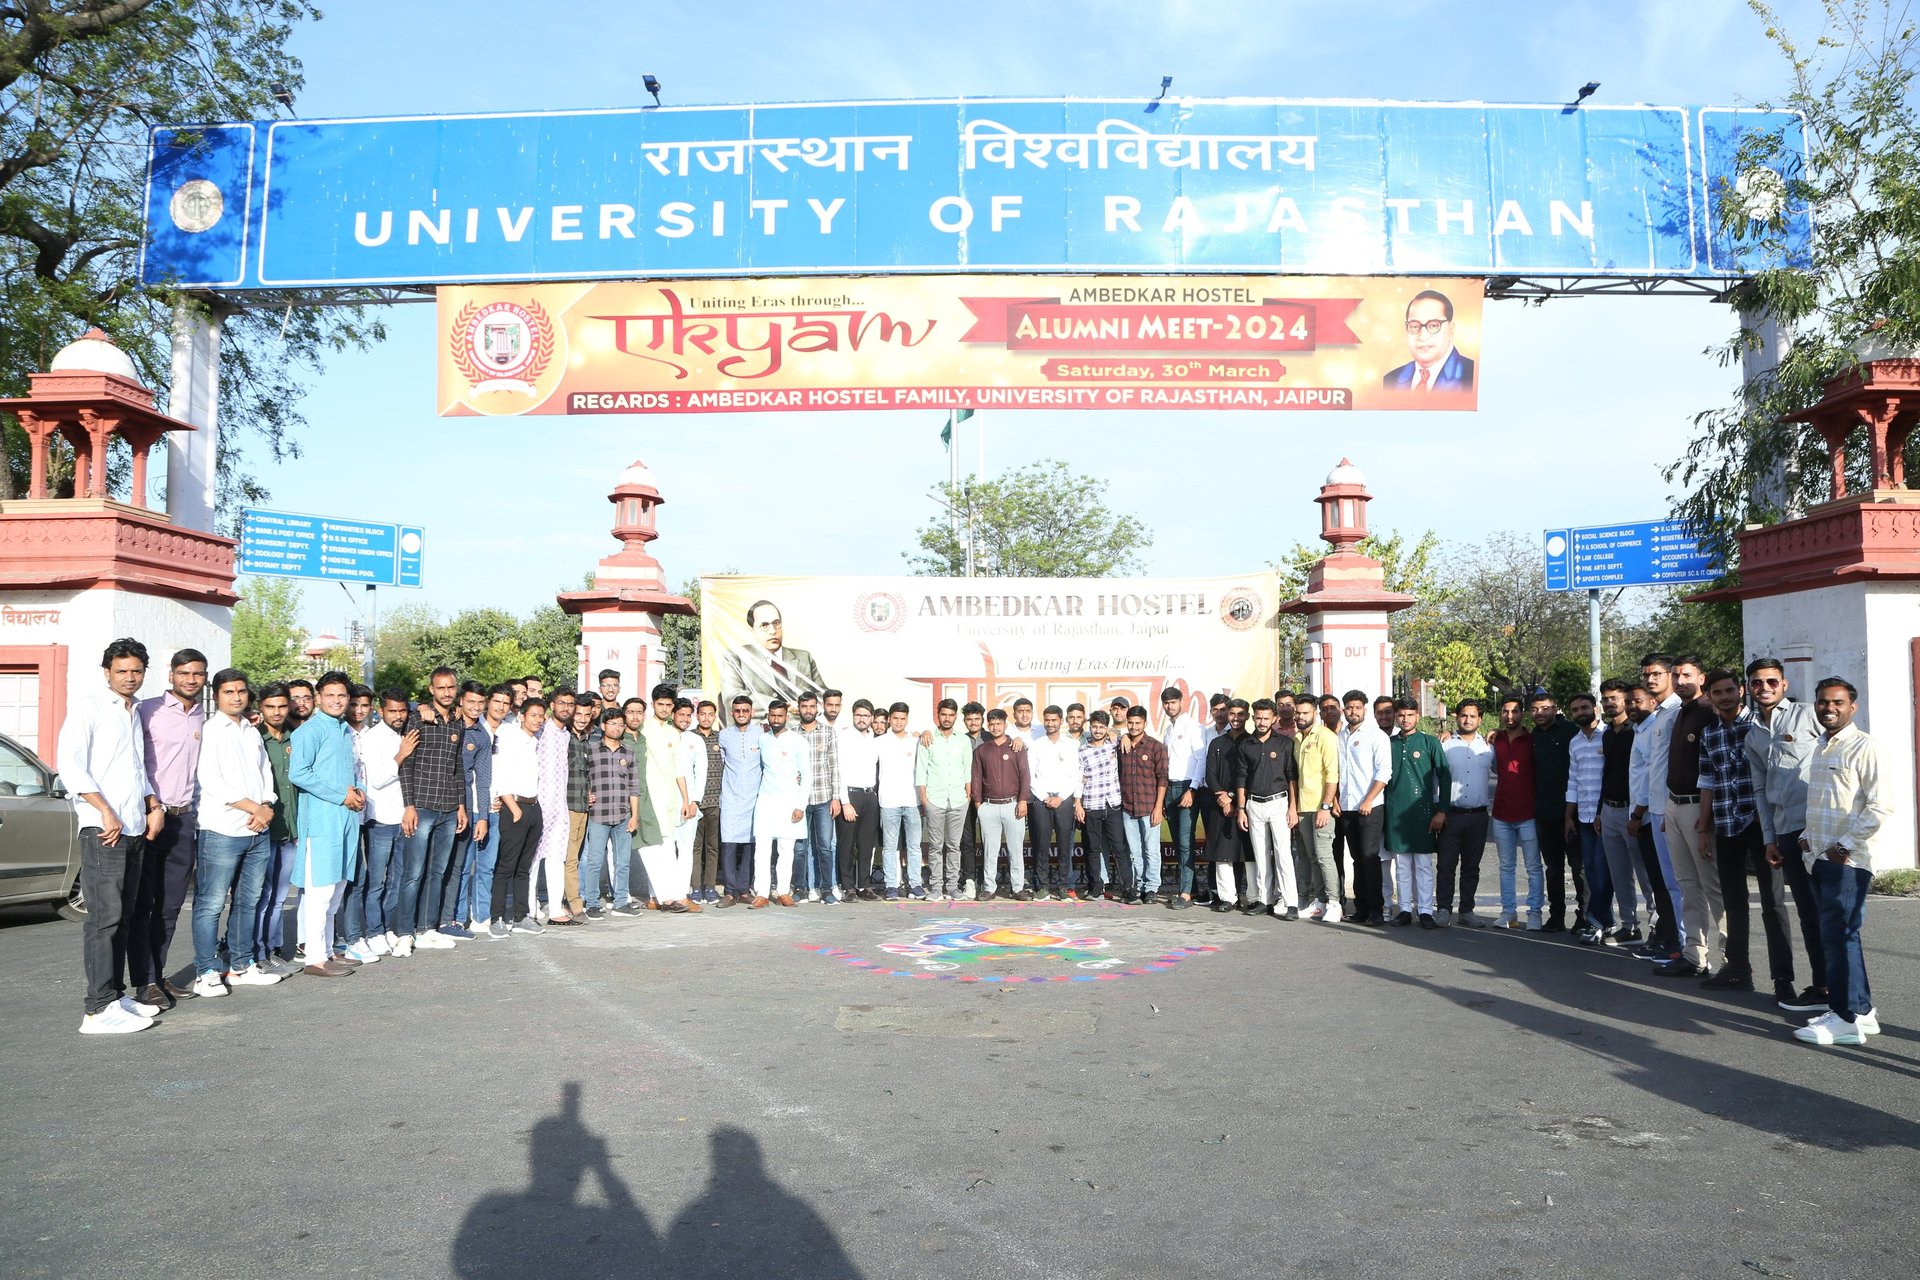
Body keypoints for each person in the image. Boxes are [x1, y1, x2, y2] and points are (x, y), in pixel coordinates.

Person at [59, 638, 167, 1034]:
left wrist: (153, 805)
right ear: (107, 672)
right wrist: (105, 810)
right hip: (104, 829)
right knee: (104, 919)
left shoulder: (133, 711)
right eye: (121, 671)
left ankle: (114, 996)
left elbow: (136, 769)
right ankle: (96, 1010)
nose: (129, 677)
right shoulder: (90, 708)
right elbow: (70, 764)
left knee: (124, 917)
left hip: (134, 826)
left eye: (136, 671)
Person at [1792, 678, 1889, 1047]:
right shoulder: (1821, 745)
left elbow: (1880, 806)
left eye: (1837, 702)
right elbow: (1825, 801)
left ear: (1853, 707)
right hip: (1819, 857)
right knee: (1842, 937)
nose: (1828, 708)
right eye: (1822, 702)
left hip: (1847, 862)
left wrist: (1844, 847)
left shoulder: (1866, 747)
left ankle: (1843, 1017)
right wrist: (1807, 838)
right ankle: (1861, 1011)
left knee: (1838, 937)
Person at [1698, 667, 1794, 994]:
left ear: (1741, 691)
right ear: (1710, 696)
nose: (1724, 697)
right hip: (1726, 824)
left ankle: (1783, 979)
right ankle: (1738, 969)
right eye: (1717, 692)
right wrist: (1703, 828)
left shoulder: (1759, 726)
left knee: (1773, 903)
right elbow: (1707, 780)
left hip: (1761, 826)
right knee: (1734, 902)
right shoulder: (1709, 733)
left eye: (1730, 690)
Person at [190, 667, 284, 997]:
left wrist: (267, 805)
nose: (236, 697)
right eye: (229, 692)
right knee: (211, 904)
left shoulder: (250, 730)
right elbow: (211, 781)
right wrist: (254, 808)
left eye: (241, 691)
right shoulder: (211, 730)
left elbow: (265, 774)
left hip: (257, 830)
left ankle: (241, 965)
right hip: (222, 830)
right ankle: (206, 971)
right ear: (216, 696)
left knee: (247, 901)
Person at [1745, 658, 1830, 1015]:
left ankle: (1842, 992)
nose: (1764, 688)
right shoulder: (1752, 735)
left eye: (1771, 681)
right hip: (1786, 831)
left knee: (1830, 913)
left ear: (1784, 684)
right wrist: (1770, 838)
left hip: (1820, 828)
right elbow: (1760, 791)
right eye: (1757, 682)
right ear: (1749, 687)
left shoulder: (1808, 715)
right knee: (1808, 913)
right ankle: (1823, 987)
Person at [129, 647, 208, 1008]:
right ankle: (143, 982)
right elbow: (133, 762)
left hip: (184, 819)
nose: (191, 680)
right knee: (144, 904)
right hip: (151, 817)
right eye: (184, 673)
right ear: (171, 674)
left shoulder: (203, 716)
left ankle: (157, 975)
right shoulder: (147, 710)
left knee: (171, 904)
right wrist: (151, 806)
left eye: (198, 674)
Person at [287, 672, 363, 977]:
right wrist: (341, 795)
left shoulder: (343, 729)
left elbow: (348, 771)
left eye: (341, 695)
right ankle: (314, 958)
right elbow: (299, 773)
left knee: (336, 889)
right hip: (322, 819)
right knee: (320, 891)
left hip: (346, 817)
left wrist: (358, 792)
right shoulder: (310, 730)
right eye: (330, 695)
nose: (336, 700)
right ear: (318, 697)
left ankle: (329, 950)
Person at [1654, 656, 1720, 979]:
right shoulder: (1681, 712)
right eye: (1677, 675)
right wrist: (1669, 809)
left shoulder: (1708, 712)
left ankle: (1731, 960)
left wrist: (1705, 821)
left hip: (1698, 807)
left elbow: (1711, 771)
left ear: (1701, 678)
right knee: (1687, 885)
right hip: (1675, 805)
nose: (1681, 681)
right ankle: (1695, 955)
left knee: (1712, 886)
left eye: (1687, 675)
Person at [396, 667, 470, 953]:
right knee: (413, 873)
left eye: (451, 687)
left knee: (437, 872)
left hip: (449, 809)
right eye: (441, 688)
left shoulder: (458, 723)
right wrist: (409, 806)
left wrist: (461, 806)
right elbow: (407, 765)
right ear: (431, 690)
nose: (447, 693)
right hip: (422, 806)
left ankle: (427, 928)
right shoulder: (418, 718)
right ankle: (405, 932)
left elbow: (457, 768)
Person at [341, 689, 408, 963]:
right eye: (392, 710)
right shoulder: (372, 738)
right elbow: (378, 779)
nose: (398, 715)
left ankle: (386, 927)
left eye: (402, 710)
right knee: (375, 880)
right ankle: (373, 931)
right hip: (379, 817)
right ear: (382, 711)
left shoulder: (403, 732)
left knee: (396, 879)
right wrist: (401, 755)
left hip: (403, 816)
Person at [1626, 679, 1683, 961]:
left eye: (1637, 701)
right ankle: (1664, 936)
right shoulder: (1639, 729)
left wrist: (1638, 813)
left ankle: (1672, 941)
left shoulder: (1654, 728)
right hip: (1643, 813)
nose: (1631, 706)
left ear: (1652, 702)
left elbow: (1653, 774)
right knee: (1658, 883)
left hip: (1651, 815)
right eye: (1628, 702)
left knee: (1664, 883)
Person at [1383, 697, 1450, 928]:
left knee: (1423, 864)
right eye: (1401, 715)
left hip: (1423, 812)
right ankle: (1404, 910)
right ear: (1396, 717)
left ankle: (1425, 911)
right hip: (1396, 812)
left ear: (1417, 717)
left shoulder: (1429, 742)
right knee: (1401, 865)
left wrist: (1442, 810)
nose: (1405, 719)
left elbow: (1445, 777)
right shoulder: (1388, 743)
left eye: (1410, 715)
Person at [1593, 681, 1649, 946]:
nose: (1609, 703)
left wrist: (1638, 813)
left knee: (1645, 873)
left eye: (1614, 698)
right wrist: (1599, 811)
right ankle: (1630, 927)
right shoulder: (1607, 733)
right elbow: (1606, 774)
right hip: (1609, 809)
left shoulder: (1637, 731)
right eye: (1605, 699)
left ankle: (1659, 926)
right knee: (1619, 874)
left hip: (1633, 810)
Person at [1234, 698, 1299, 919]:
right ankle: (1264, 900)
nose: (1262, 722)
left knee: (1283, 854)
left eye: (1266, 718)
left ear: (1274, 719)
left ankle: (1291, 903)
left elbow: (1291, 776)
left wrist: (1293, 807)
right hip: (1254, 804)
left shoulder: (1284, 743)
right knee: (1260, 855)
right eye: (1258, 718)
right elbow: (1241, 778)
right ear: (1253, 718)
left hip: (1279, 802)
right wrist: (1241, 809)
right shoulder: (1245, 744)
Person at [488, 697, 547, 938]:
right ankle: (497, 918)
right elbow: (501, 778)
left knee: (524, 867)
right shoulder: (511, 738)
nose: (538, 720)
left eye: (541, 716)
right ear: (522, 716)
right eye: (533, 715)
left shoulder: (535, 741)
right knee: (506, 866)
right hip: (515, 807)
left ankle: (521, 916)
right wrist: (514, 809)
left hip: (533, 806)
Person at [637, 684, 696, 913]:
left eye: (668, 705)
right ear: (652, 704)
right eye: (660, 704)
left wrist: (685, 800)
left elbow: (679, 768)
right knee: (651, 849)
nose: (664, 708)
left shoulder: (673, 733)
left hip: (670, 799)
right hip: (647, 797)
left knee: (668, 849)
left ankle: (669, 896)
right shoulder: (642, 727)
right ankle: (666, 898)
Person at [254, 682, 300, 969]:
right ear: (261, 707)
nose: (277, 712)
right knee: (263, 894)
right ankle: (256, 952)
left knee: (281, 895)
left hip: (291, 829)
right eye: (270, 706)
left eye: (282, 706)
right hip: (264, 829)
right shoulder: (254, 738)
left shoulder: (296, 738)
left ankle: (271, 949)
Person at [1336, 690, 1392, 924]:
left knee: (1370, 858)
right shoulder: (1340, 736)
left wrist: (1369, 799)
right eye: (1349, 707)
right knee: (1356, 859)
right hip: (1347, 806)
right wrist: (1336, 799)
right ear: (1344, 710)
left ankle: (1376, 910)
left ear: (1364, 710)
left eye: (1358, 707)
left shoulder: (1376, 736)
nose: (1353, 711)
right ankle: (1361, 908)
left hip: (1370, 806)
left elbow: (1384, 771)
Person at [582, 708, 642, 920]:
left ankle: (620, 902)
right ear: (603, 726)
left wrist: (634, 816)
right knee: (595, 861)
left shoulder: (628, 752)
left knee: (623, 862)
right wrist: (586, 795)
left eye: (620, 724)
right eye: (613, 723)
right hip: (598, 815)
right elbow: (583, 779)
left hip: (623, 815)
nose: (617, 728)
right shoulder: (591, 750)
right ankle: (591, 903)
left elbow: (634, 786)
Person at [1436, 699, 1492, 928]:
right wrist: (1439, 810)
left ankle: (1466, 911)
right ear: (1457, 717)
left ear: (1480, 719)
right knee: (1445, 865)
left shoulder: (1489, 746)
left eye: (1472, 716)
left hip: (1478, 817)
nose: (1468, 720)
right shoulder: (1444, 744)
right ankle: (1443, 910)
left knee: (1471, 867)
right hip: (1451, 815)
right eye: (1463, 715)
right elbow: (1435, 780)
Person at [1490, 695, 1545, 930]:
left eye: (1514, 711)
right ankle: (1508, 912)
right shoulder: (1495, 740)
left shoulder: (1532, 740)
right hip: (1501, 812)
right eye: (1505, 711)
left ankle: (1534, 913)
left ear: (1522, 714)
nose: (1510, 716)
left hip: (1528, 812)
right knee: (1506, 867)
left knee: (1533, 867)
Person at [1529, 692, 1582, 932]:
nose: (1540, 713)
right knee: (1553, 869)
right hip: (1544, 812)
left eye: (1545, 708)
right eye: (1535, 709)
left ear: (1555, 708)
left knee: (1579, 868)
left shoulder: (1571, 731)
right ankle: (1556, 916)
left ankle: (1584, 916)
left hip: (1572, 813)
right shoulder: (1532, 736)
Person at [1563, 692, 1611, 944]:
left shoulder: (1609, 735)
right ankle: (1604, 922)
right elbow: (1573, 780)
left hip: (1606, 815)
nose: (1580, 713)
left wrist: (1603, 812)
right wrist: (1569, 816)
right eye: (1575, 710)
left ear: (1596, 708)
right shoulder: (1575, 742)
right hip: (1583, 816)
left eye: (1584, 707)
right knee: (1590, 871)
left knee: (1603, 872)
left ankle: (1598, 922)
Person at [720, 599, 828, 710]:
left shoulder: (804, 658)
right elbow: (732, 697)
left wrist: (804, 705)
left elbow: (823, 696)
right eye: (764, 625)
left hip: (801, 719)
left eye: (776, 623)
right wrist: (781, 707)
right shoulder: (736, 657)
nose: (773, 631)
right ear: (751, 631)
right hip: (760, 720)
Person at [754, 698, 809, 908]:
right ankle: (762, 893)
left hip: (789, 802)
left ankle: (784, 892)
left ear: (786, 717)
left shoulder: (798, 741)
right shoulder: (762, 739)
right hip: (766, 801)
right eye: (773, 715)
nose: (776, 719)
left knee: (786, 850)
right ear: (767, 716)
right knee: (762, 849)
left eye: (780, 716)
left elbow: (806, 775)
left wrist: (800, 805)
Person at [1290, 696, 1342, 920]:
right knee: (1311, 857)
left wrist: (1326, 806)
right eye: (1298, 713)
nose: (1301, 717)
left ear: (1315, 714)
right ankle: (1319, 902)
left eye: (1306, 713)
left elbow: (1332, 774)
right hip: (1303, 807)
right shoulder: (1296, 739)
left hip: (1321, 807)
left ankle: (1334, 903)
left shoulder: (1326, 737)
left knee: (1324, 856)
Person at [971, 709, 1032, 899]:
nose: (995, 727)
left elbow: (1025, 775)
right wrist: (979, 805)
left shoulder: (1016, 747)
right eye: (992, 723)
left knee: (1016, 850)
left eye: (999, 723)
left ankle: (1018, 888)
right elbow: (976, 778)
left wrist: (1023, 800)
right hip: (989, 807)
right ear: (988, 725)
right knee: (990, 851)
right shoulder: (982, 750)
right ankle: (989, 887)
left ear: (1005, 724)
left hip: (1013, 805)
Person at [917, 698, 972, 902]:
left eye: (951, 715)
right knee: (935, 846)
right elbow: (921, 771)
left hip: (958, 800)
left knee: (954, 846)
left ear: (956, 717)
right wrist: (925, 800)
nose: (947, 718)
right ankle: (936, 888)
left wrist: (967, 797)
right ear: (938, 715)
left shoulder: (963, 740)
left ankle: (953, 887)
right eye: (943, 715)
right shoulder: (928, 738)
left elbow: (967, 770)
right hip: (935, 799)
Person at [532, 688, 579, 925]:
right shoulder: (539, 730)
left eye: (570, 704)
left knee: (556, 856)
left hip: (559, 805)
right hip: (536, 802)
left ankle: (555, 908)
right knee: (532, 858)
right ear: (552, 705)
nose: (566, 708)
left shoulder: (566, 735)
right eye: (561, 703)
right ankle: (528, 909)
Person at [1027, 705, 1081, 901]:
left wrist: (1061, 797)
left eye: (1054, 720)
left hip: (1064, 800)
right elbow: (1030, 776)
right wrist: (1044, 797)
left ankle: (1063, 886)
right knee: (1041, 846)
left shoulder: (1071, 746)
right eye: (1047, 720)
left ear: (1061, 721)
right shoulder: (1036, 745)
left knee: (1065, 845)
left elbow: (1075, 775)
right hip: (1041, 800)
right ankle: (1042, 886)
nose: (1050, 724)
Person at [1117, 706, 1169, 904]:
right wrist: (1122, 736)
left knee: (1151, 850)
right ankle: (1139, 885)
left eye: (1138, 723)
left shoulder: (1156, 747)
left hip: (1149, 807)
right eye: (1130, 723)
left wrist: (1158, 807)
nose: (1134, 726)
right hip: (1128, 807)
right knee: (1134, 851)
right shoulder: (1122, 746)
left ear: (1145, 723)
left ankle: (1152, 887)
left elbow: (1162, 778)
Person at [716, 696, 762, 907]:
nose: (741, 714)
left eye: (745, 710)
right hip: (731, 798)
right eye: (737, 711)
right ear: (732, 712)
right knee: (729, 845)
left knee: (750, 845)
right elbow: (722, 762)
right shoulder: (724, 736)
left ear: (751, 712)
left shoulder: (761, 734)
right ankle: (729, 892)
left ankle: (744, 890)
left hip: (753, 799)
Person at [1380, 288, 1474, 392]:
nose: (1423, 336)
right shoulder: (1390, 380)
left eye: (1433, 325)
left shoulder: (1472, 375)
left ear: (1451, 330)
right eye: (1414, 326)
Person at [1075, 709, 1124, 902]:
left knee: (1119, 848)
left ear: (1107, 728)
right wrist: (1078, 803)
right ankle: (1096, 887)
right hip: (1091, 804)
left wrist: (1120, 735)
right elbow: (1078, 779)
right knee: (1093, 849)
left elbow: (1126, 737)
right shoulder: (1082, 751)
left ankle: (1128, 887)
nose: (1097, 730)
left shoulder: (1115, 745)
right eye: (1094, 727)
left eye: (1101, 727)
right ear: (1090, 727)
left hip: (1113, 804)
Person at [1202, 700, 1247, 911]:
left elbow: (1249, 775)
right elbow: (1210, 774)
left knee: (1245, 852)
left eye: (1240, 714)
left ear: (1247, 716)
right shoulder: (1217, 743)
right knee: (1222, 852)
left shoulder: (1252, 742)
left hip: (1245, 805)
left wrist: (1232, 797)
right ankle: (1227, 897)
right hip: (1219, 805)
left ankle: (1249, 896)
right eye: (1232, 714)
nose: (1235, 718)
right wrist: (1223, 797)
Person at [835, 700, 881, 902]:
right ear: (853, 716)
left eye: (866, 716)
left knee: (866, 844)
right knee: (847, 844)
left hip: (870, 796)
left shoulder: (874, 738)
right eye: (858, 715)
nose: (861, 719)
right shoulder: (844, 737)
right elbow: (839, 771)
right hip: (850, 795)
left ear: (872, 718)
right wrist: (845, 802)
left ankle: (864, 885)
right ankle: (847, 887)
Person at [797, 691, 840, 903]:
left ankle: (826, 890)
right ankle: (800, 888)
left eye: (812, 706)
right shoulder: (791, 735)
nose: (808, 710)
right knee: (800, 847)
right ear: (799, 708)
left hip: (823, 798)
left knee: (825, 847)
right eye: (804, 706)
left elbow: (834, 766)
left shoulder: (828, 732)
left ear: (817, 708)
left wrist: (836, 797)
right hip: (799, 800)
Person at [691, 700, 725, 904]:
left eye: (710, 714)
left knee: (712, 847)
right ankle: (695, 887)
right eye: (702, 714)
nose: (706, 718)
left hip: (715, 800)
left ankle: (710, 887)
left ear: (715, 716)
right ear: (697, 715)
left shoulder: (720, 738)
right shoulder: (689, 737)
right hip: (695, 802)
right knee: (695, 847)